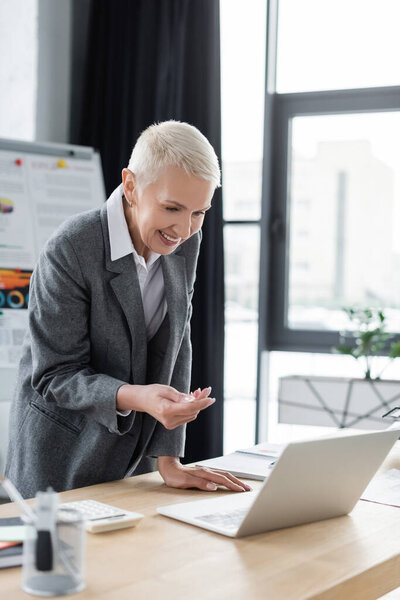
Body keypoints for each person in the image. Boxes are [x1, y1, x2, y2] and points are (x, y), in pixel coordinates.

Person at [5, 120, 251, 498]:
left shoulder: (185, 239)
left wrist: (170, 461)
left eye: (200, 212)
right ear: (132, 186)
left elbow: (176, 342)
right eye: (172, 208)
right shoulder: (71, 247)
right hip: (60, 461)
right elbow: (55, 375)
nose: (184, 228)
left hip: (133, 464)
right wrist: (140, 398)